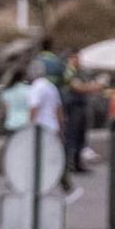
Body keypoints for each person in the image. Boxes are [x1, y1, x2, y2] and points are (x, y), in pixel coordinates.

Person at [26, 59, 70, 191]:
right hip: (53, 126)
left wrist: (30, 126)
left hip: (41, 127)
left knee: (39, 156)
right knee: (55, 155)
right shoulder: (51, 86)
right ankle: (63, 180)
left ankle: (40, 181)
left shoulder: (35, 88)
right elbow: (58, 109)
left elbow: (34, 108)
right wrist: (61, 126)